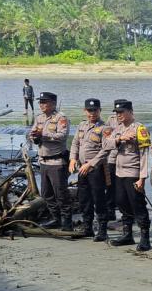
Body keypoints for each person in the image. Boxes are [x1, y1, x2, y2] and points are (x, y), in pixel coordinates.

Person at [102, 100, 152, 248]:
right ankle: (127, 234)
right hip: (119, 172)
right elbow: (105, 145)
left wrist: (142, 178)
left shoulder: (140, 129)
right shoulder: (117, 129)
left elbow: (144, 155)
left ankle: (145, 238)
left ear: (130, 112)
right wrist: (119, 139)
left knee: (138, 205)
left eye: (122, 112)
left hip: (133, 173)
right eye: (117, 113)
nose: (119, 115)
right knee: (122, 203)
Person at [28, 91, 71, 231]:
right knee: (46, 193)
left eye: (44, 102)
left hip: (57, 161)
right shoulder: (39, 117)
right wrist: (34, 137)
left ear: (53, 103)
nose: (41, 105)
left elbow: (62, 135)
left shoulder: (60, 117)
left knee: (61, 193)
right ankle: (55, 218)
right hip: (43, 160)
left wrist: (43, 134)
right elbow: (32, 133)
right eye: (40, 102)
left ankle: (67, 221)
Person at [69, 98, 110, 241]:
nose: (92, 113)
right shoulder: (81, 125)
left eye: (95, 110)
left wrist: (90, 164)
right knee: (84, 199)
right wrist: (73, 159)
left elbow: (106, 150)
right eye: (89, 110)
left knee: (99, 199)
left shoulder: (105, 128)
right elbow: (75, 143)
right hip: (81, 168)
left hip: (96, 169)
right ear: (85, 111)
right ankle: (88, 228)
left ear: (100, 111)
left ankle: (103, 230)